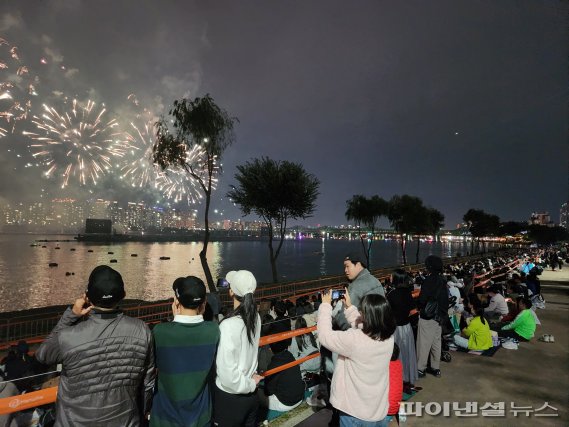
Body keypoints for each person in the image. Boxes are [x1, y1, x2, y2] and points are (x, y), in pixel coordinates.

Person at [35, 265, 155, 426]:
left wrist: (71, 316)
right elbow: (148, 382)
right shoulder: (142, 330)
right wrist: (143, 411)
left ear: (87, 297)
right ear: (124, 295)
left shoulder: (68, 337)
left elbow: (43, 354)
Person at [318, 289, 395, 426]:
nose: (360, 313)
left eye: (362, 312)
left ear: (368, 317)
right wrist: (349, 307)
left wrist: (325, 306)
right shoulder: (388, 338)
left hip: (354, 412)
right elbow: (365, 327)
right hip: (377, 409)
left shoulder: (354, 340)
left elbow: (325, 336)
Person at [150, 276, 220, 427]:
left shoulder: (160, 332)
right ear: (203, 304)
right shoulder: (213, 331)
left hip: (165, 417)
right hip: (200, 417)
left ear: (176, 302)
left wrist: (176, 319)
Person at [213, 270, 262, 427]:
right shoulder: (256, 317)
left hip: (231, 400)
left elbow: (229, 377)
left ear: (231, 291)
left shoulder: (228, 325)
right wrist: (251, 384)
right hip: (252, 396)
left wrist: (250, 385)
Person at [260, 321, 305, 413]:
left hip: (286, 403)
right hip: (299, 397)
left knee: (256, 394)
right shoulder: (290, 355)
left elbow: (268, 391)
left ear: (271, 348)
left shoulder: (273, 365)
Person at [416, 255, 448, 378]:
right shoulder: (442, 280)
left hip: (428, 316)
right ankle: (435, 368)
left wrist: (420, 306)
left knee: (423, 343)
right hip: (439, 316)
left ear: (429, 267)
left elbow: (422, 299)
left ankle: (420, 368)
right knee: (436, 342)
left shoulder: (429, 281)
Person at [386, 269, 418, 391]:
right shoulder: (407, 293)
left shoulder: (391, 294)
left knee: (396, 356)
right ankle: (408, 379)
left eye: (391, 276)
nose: (390, 277)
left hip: (395, 329)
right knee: (407, 353)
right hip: (407, 327)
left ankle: (397, 380)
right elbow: (412, 310)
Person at [336, 252, 385, 330]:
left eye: (347, 266)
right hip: (381, 329)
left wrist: (336, 314)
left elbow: (345, 319)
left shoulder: (355, 287)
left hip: (365, 333)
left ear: (358, 264)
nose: (345, 270)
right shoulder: (375, 280)